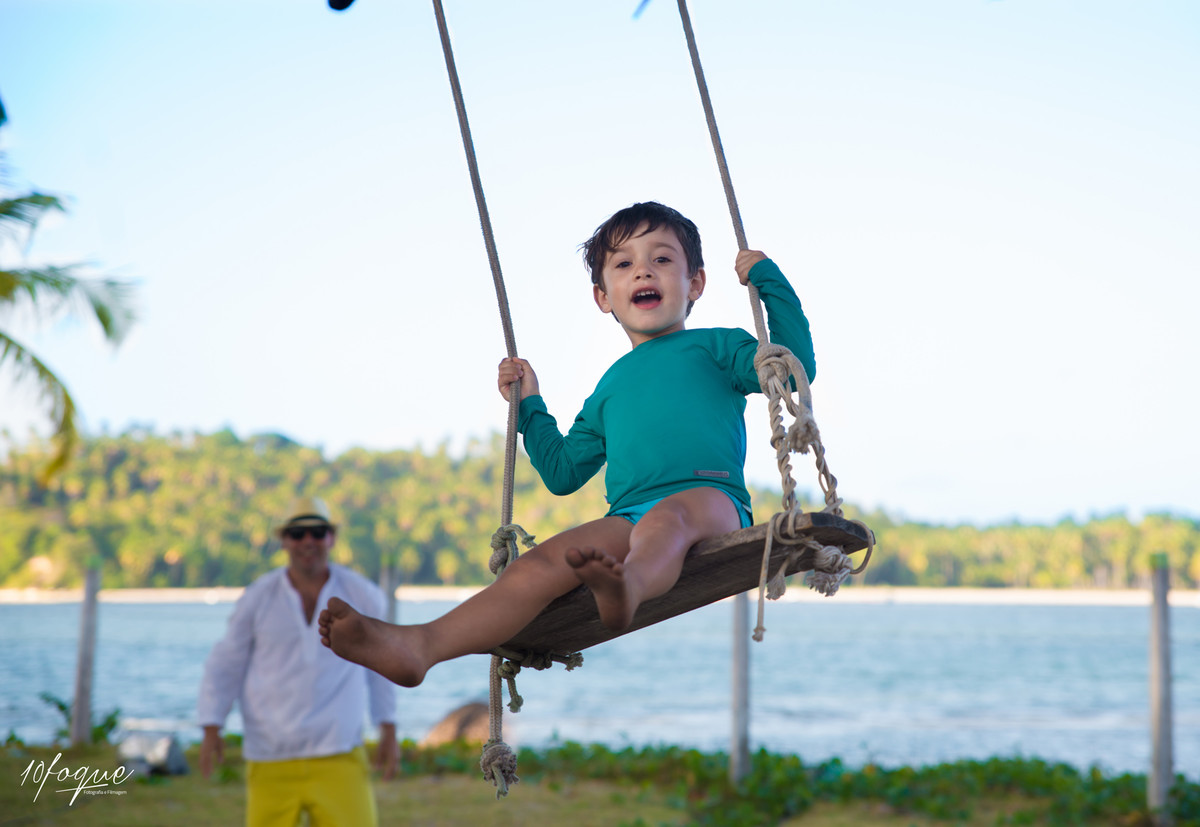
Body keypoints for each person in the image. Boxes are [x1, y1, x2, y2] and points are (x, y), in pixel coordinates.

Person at [318, 201, 815, 688]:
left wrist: (769, 282)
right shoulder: (608, 388)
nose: (644, 271)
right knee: (541, 564)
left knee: (668, 520)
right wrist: (529, 406)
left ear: (696, 284)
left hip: (711, 500)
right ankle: (420, 646)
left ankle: (627, 588)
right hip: (629, 515)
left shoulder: (717, 346)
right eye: (624, 264)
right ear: (603, 296)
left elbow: (794, 371)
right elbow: (562, 473)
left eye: (662, 259)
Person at [197, 496, 398, 827]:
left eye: (318, 532)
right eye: (298, 532)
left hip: (339, 750)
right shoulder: (257, 597)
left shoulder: (362, 594)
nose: (308, 541)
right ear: (284, 540)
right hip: (270, 753)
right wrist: (211, 725)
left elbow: (382, 664)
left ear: (331, 538)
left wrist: (388, 726)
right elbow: (225, 662)